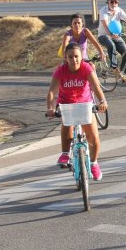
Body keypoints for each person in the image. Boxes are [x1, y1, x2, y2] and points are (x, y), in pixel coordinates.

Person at [46, 42, 109, 181]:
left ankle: (94, 163)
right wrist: (50, 108)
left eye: (76, 56)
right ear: (65, 58)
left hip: (85, 104)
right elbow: (52, 92)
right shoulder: (60, 71)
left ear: (81, 57)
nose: (73, 60)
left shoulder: (86, 68)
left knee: (93, 137)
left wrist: (102, 102)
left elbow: (96, 86)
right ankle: (65, 153)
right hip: (67, 104)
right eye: (70, 57)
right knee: (67, 124)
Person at [97, 0, 126, 84]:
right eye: (112, 2)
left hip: (116, 35)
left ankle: (123, 74)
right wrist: (110, 34)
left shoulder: (119, 10)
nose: (114, 4)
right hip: (104, 35)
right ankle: (114, 68)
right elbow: (105, 25)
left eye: (116, 2)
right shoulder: (103, 11)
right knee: (111, 45)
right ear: (108, 2)